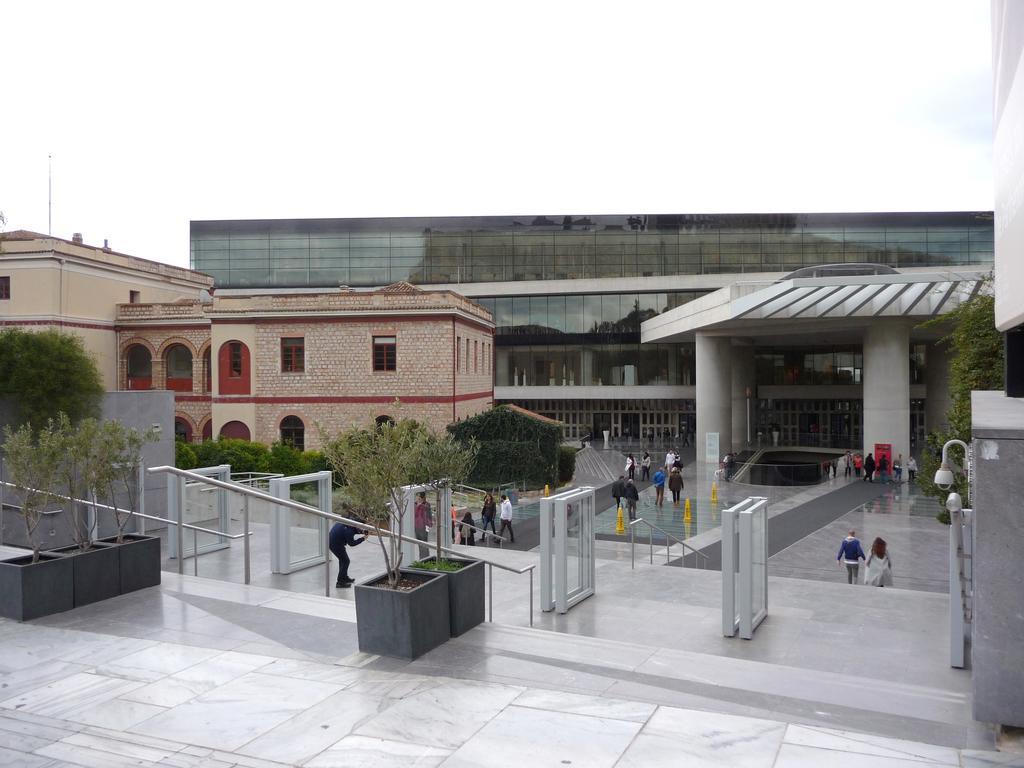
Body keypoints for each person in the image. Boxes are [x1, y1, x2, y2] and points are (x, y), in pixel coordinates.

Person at [329, 520, 365, 588]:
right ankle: (340, 582)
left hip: (332, 541)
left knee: (342, 560)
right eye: (361, 527)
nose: (361, 528)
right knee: (346, 561)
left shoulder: (347, 522)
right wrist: (362, 539)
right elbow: (352, 543)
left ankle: (344, 577)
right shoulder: (349, 531)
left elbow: (353, 530)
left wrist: (361, 532)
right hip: (335, 545)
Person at [413, 491, 432, 559]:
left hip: (423, 526)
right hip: (417, 525)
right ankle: (423, 557)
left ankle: (424, 557)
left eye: (419, 497)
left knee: (424, 541)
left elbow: (429, 514)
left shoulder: (426, 505)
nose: (418, 498)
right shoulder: (414, 504)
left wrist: (430, 524)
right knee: (421, 542)